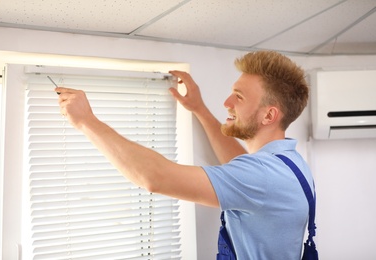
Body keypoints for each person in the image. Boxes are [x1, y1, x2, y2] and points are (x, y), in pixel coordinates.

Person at [56, 50, 314, 260]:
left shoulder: (262, 176)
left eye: (238, 97)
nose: (227, 103)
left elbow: (154, 177)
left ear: (269, 115)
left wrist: (86, 121)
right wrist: (199, 108)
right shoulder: (288, 163)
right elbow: (238, 164)